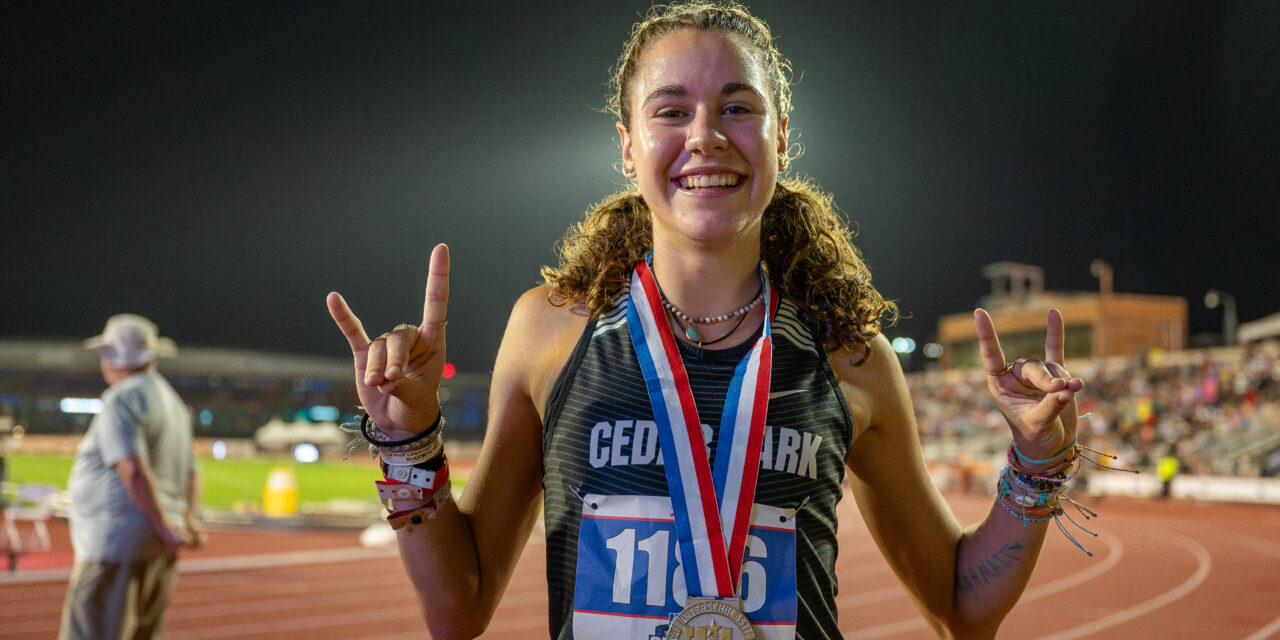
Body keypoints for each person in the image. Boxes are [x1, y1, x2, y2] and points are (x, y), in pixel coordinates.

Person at [327, 3, 1089, 638]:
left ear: (781, 137)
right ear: (628, 149)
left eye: (737, 107)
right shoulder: (550, 332)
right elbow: (458, 608)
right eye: (671, 111)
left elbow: (962, 604)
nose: (705, 136)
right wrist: (405, 439)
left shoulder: (849, 358)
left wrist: (1036, 460)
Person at [59, 314, 203, 640]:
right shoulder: (173, 402)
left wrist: (167, 528)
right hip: (156, 545)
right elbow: (193, 473)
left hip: (115, 546)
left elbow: (133, 470)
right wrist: (186, 524)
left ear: (114, 357)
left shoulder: (122, 398)